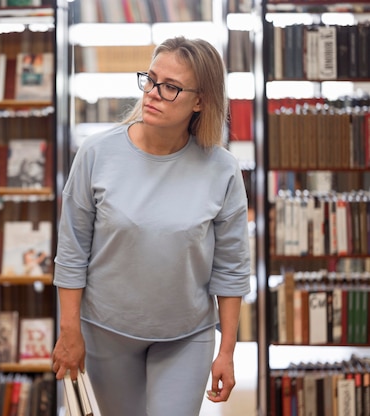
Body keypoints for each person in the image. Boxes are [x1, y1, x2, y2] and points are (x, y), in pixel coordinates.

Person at [51, 36, 251, 415]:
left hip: (186, 337)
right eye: (150, 79)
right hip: (106, 332)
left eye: (171, 87)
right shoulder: (96, 154)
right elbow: (72, 252)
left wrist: (227, 351)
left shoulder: (222, 169)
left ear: (200, 101)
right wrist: (69, 331)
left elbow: (231, 268)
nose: (154, 93)